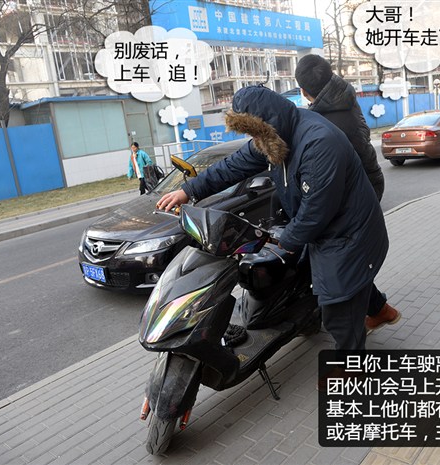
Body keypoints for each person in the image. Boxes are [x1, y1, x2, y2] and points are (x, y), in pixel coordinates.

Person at [157, 85, 389, 353]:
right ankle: (382, 311)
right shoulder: (273, 135)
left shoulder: (318, 143)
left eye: (254, 132)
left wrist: (287, 240)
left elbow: (316, 210)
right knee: (348, 279)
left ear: (267, 122)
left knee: (337, 306)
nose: (253, 139)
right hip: (331, 227)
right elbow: (232, 166)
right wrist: (188, 190)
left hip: (349, 232)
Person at [294, 54, 400, 334]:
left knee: (342, 257)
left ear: (302, 90)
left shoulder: (321, 122)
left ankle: (364, 322)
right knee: (349, 255)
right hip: (369, 179)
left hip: (356, 189)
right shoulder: (343, 97)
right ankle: (379, 310)